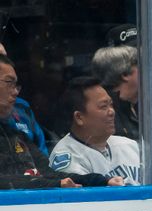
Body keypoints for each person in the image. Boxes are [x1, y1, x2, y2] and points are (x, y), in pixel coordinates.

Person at [0, 59, 119, 190]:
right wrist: (55, 184)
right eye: (9, 83)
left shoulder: (15, 135)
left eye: (16, 85)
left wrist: (102, 181)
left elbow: (51, 174)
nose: (16, 92)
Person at [49, 77, 140, 185]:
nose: (112, 112)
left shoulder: (129, 145)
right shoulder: (67, 156)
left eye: (111, 104)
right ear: (79, 117)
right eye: (103, 106)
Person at [92, 45, 139, 140]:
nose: (149, 73)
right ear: (125, 74)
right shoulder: (104, 113)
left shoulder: (132, 106)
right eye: (141, 68)